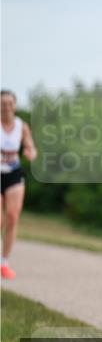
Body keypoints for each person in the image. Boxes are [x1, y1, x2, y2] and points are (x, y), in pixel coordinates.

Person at [1, 90, 38, 280]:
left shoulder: (21, 126)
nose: (6, 107)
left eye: (9, 103)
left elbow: (30, 145)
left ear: (14, 106)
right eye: (3, 103)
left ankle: (4, 263)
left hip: (14, 173)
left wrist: (31, 151)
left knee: (13, 216)